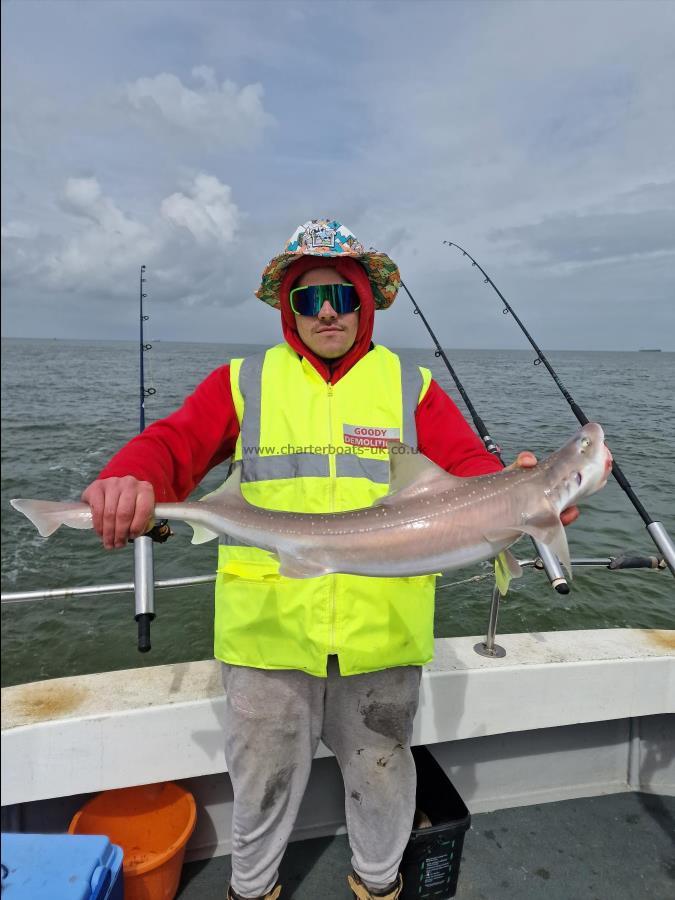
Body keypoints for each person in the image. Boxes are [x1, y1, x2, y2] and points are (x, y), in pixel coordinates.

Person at [82, 220, 578, 900]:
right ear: (286, 306)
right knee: (259, 783)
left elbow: (468, 469)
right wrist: (129, 477)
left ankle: (378, 885)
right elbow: (171, 447)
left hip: (380, 636)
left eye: (341, 297)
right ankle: (250, 889)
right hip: (267, 634)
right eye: (306, 299)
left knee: (382, 774)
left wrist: (520, 489)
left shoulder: (411, 386)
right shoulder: (243, 381)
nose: (325, 313)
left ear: (365, 303)